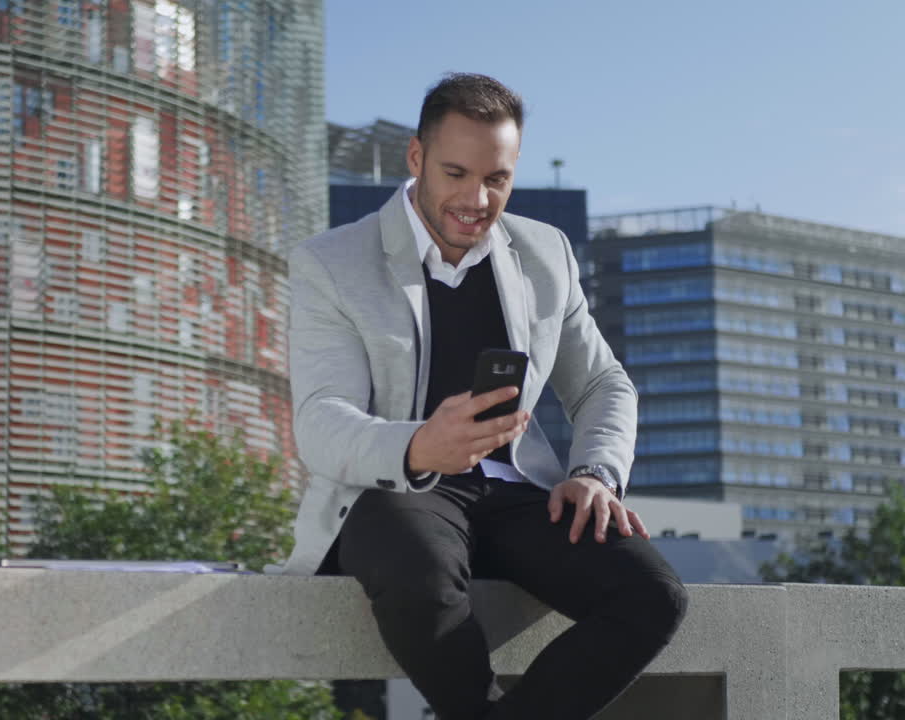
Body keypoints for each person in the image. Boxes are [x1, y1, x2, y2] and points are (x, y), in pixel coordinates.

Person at [277, 73, 688, 719]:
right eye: (456, 173)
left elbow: (603, 382)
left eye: (497, 178)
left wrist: (595, 472)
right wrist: (420, 444)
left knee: (653, 595)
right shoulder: (331, 262)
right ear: (417, 158)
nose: (476, 199)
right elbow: (321, 422)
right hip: (397, 491)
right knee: (420, 581)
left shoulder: (545, 253)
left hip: (519, 494)